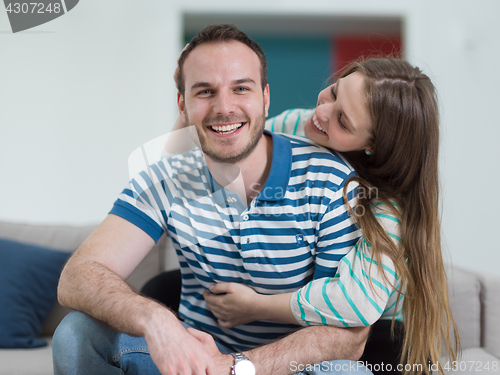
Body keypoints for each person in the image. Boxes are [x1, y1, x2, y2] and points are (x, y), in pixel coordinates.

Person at [52, 24, 374, 375]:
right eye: (205, 91)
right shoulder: (167, 177)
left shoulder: (331, 181)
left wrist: (237, 367)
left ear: (265, 97)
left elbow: (348, 337)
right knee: (76, 334)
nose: (224, 107)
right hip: (191, 364)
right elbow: (78, 275)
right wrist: (155, 320)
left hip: (287, 368)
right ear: (183, 104)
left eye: (241, 88)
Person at [196, 58, 461, 374]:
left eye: (343, 121)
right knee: (165, 288)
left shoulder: (386, 210)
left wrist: (254, 306)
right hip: (301, 302)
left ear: (371, 148)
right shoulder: (298, 126)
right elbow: (209, 150)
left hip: (380, 340)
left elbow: (355, 304)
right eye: (334, 92)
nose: (321, 112)